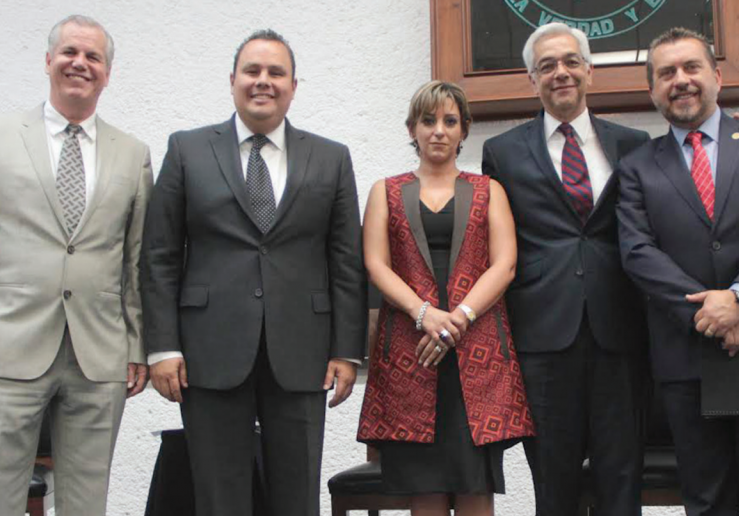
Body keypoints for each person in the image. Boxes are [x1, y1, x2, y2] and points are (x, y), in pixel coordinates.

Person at [140, 29, 366, 516]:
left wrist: (346, 350)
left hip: (302, 352)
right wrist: (162, 346)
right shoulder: (187, 150)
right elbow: (159, 255)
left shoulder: (331, 157)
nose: (263, 81)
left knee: (296, 498)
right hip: (208, 350)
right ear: (232, 81)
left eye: (276, 72)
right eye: (253, 71)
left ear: (293, 87)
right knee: (219, 499)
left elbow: (346, 260)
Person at [481, 23, 651, 516]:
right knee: (554, 488)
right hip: (542, 338)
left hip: (620, 334)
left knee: (622, 482)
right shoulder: (502, 152)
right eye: (547, 65)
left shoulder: (634, 144)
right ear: (532, 79)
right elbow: (495, 244)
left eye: (571, 62)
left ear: (589, 71)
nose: (561, 72)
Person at [357, 80, 535, 516]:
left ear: (463, 130)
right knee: (425, 491)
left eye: (450, 121)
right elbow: (376, 265)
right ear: (412, 129)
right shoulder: (385, 191)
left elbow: (505, 265)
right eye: (428, 120)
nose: (438, 130)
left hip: (476, 355)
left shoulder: (489, 189)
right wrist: (424, 314)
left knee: (476, 487)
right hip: (412, 354)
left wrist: (459, 317)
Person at [0, 15, 153, 516]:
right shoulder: (4, 137)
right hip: (10, 345)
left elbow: (135, 260)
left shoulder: (133, 154)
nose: (80, 63)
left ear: (107, 73)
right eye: (69, 52)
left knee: (87, 504)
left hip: (99, 352)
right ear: (48, 61)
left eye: (93, 57)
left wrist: (136, 343)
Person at [617, 27, 739, 515]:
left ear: (717, 77)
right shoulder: (637, 166)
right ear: (653, 90)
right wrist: (712, 313)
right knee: (706, 501)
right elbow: (638, 252)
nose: (680, 80)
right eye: (666, 73)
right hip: (686, 358)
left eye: (691, 67)